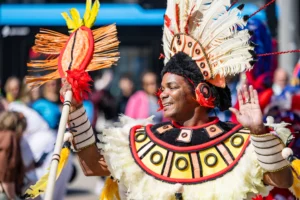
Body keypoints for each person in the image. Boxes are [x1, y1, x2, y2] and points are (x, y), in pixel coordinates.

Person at [59, 0, 297, 199]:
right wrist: (77, 109)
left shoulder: (240, 140)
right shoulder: (142, 140)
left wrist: (258, 131)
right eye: (161, 88)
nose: (161, 94)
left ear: (201, 93)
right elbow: (91, 166)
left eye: (171, 87)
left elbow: (283, 180)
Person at [0, 111, 26, 200]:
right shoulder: (10, 137)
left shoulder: (2, 134)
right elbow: (5, 169)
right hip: (4, 189)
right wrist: (12, 197)